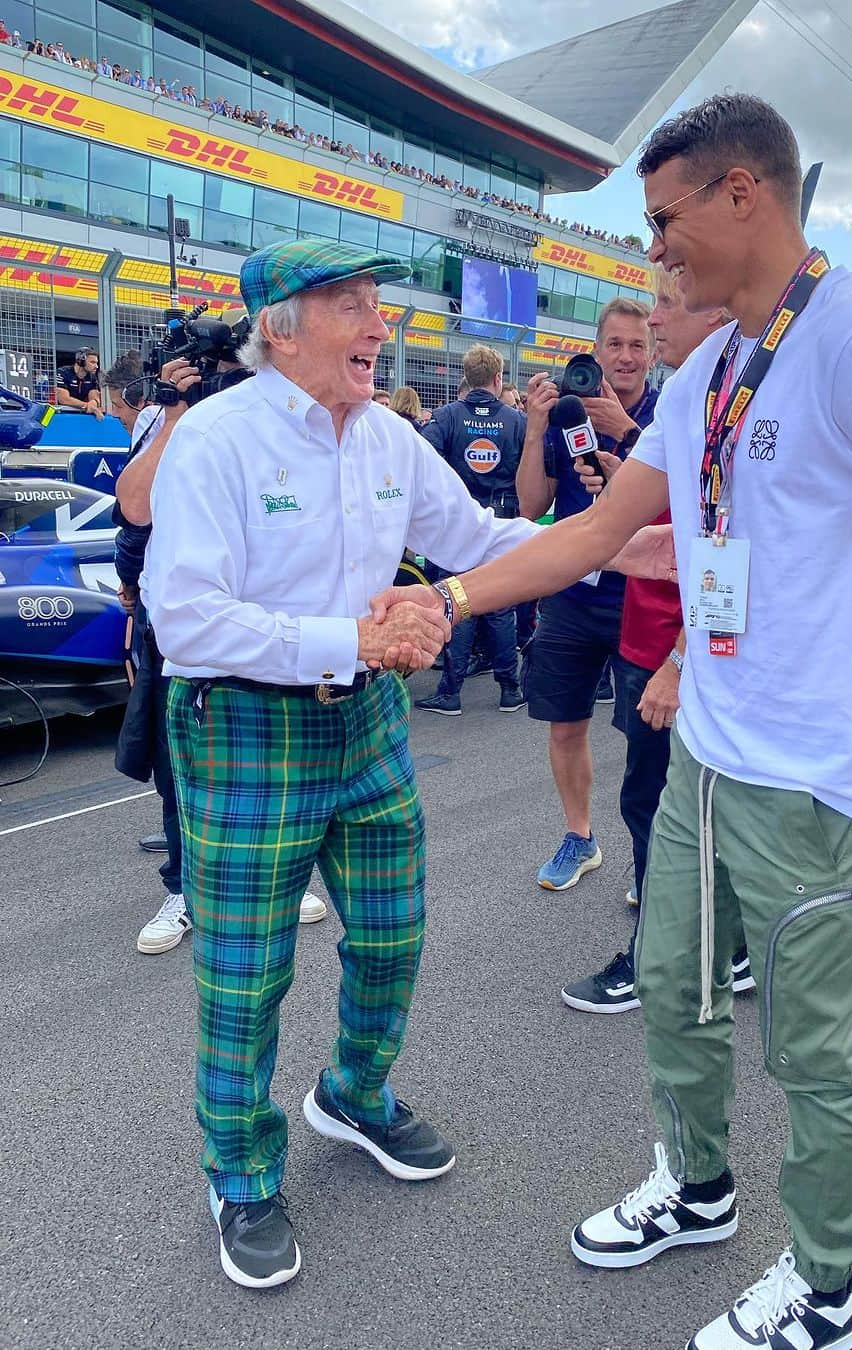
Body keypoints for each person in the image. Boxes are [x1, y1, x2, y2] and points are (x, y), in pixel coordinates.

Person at [372, 92, 852, 1350]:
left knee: (819, 1058)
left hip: (823, 781)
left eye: (662, 221)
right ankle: (699, 1189)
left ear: (741, 194)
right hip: (713, 756)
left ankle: (825, 1287)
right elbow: (603, 534)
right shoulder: (708, 367)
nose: (652, 248)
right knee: (677, 992)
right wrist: (446, 593)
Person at [144, 239, 666, 1290]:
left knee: (392, 937)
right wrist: (354, 640)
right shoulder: (218, 441)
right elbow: (186, 622)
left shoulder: (385, 436)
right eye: (350, 306)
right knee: (245, 977)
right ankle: (240, 1172)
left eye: (379, 306)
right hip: (249, 725)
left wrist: (616, 542)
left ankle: (355, 1094)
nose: (379, 327)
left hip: (371, 721)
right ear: (280, 328)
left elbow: (476, 536)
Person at [561, 265, 754, 1013]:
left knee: (661, 811)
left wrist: (678, 664)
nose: (655, 325)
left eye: (668, 305)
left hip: (676, 655)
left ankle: (659, 959)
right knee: (671, 808)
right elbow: (617, 524)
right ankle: (727, 948)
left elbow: (727, 551)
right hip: (648, 643)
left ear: (716, 313)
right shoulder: (694, 397)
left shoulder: (719, 401)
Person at [108, 345, 329, 954]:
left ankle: (280, 877)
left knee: (274, 758)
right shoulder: (165, 417)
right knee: (180, 769)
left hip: (266, 615)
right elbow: (135, 505)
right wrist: (176, 411)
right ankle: (181, 890)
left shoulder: (283, 412)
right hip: (182, 625)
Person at [516, 298, 658, 890]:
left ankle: (650, 860)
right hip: (573, 597)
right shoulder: (567, 410)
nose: (624, 358)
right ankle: (580, 837)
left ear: (652, 355)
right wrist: (536, 428)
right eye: (614, 346)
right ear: (595, 353)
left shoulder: (666, 414)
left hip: (643, 600)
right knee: (565, 724)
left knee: (646, 740)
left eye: (637, 346)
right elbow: (530, 506)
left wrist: (626, 434)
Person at [415, 344, 527, 715]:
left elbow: (424, 458)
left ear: (467, 378)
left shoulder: (447, 417)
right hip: (502, 519)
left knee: (459, 601)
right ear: (498, 379)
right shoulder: (515, 420)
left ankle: (450, 693)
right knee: (499, 604)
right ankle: (510, 689)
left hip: (459, 524)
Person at [55, 348, 104, 418]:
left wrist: (94, 403)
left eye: (96, 363)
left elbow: (94, 397)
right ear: (81, 361)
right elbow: (63, 399)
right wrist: (87, 405)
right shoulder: (62, 372)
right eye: (92, 362)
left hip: (81, 414)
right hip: (61, 414)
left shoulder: (92, 377)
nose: (96, 366)